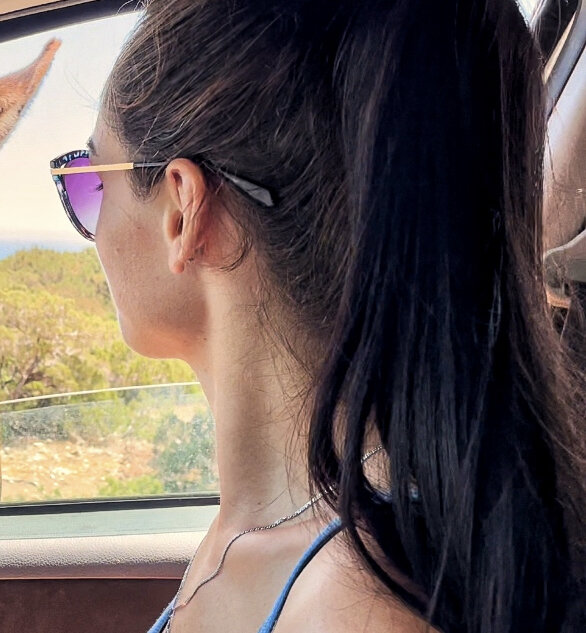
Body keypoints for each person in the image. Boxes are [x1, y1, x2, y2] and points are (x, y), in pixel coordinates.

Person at [48, 1, 586, 631]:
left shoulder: (348, 609)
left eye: (92, 181)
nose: (94, 224)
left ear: (181, 211)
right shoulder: (263, 527)